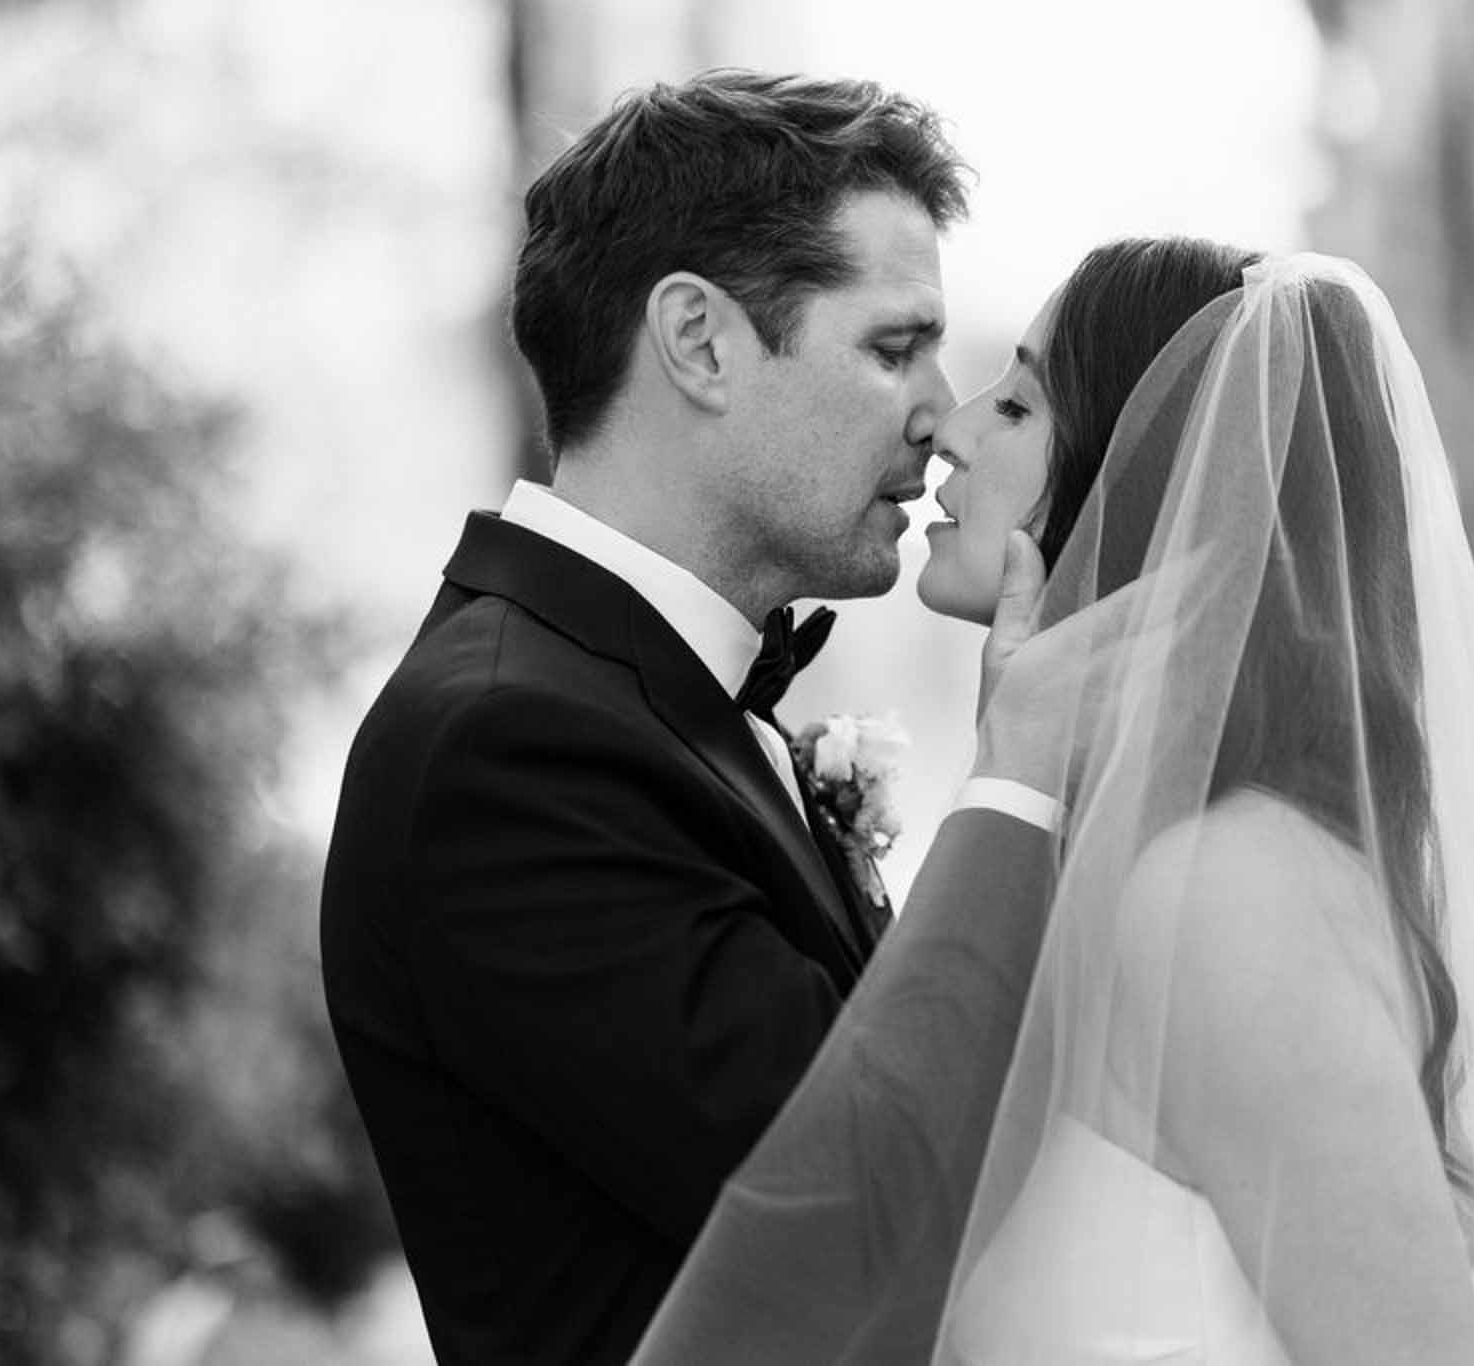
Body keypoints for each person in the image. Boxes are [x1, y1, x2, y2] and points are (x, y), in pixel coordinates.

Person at [634, 243, 1474, 1362]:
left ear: (1151, 480)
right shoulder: (1110, 859)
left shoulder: (1221, 892)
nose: (950, 429)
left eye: (1016, 403)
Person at [319, 71, 1069, 1364]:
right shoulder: (503, 750)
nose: (942, 415)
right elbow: (870, 1205)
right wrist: (1018, 780)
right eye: (894, 347)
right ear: (701, 342)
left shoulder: (650, 702)